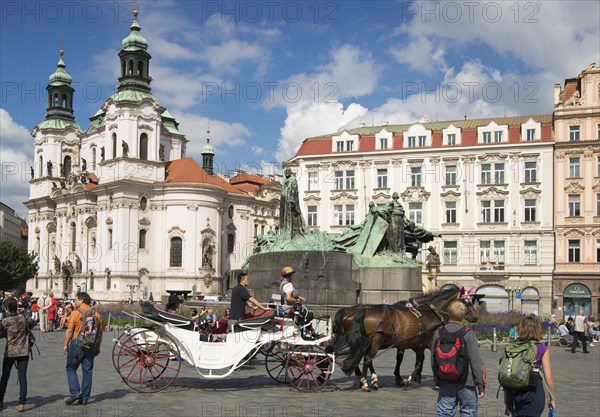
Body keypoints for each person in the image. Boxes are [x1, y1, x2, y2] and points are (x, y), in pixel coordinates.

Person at [431, 300, 486, 417]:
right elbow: (475, 360)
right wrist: (480, 384)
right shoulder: (468, 332)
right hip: (467, 381)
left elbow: (433, 358)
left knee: (444, 412)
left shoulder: (439, 332)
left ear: (448, 314)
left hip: (445, 379)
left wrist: (436, 379)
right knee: (468, 412)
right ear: (464, 316)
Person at [504, 315, 556, 417]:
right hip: (534, 393)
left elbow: (507, 373)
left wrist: (507, 397)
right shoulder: (541, 348)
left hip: (514, 393)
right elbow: (548, 378)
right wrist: (552, 398)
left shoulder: (512, 347)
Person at [63, 292, 104, 406]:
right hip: (91, 346)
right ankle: (84, 398)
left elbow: (69, 331)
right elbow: (100, 333)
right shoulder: (97, 314)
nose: (74, 302)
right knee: (87, 371)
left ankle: (75, 392)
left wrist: (65, 345)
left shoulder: (75, 313)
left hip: (77, 344)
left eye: (75, 300)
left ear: (81, 300)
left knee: (71, 368)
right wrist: (98, 347)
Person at [0, 297, 36, 412]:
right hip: (23, 351)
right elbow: (33, 322)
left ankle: (0, 400)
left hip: (10, 352)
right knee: (22, 377)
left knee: (5, 376)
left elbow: (1, 334)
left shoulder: (5, 321)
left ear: (6, 309)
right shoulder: (22, 318)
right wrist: (23, 313)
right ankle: (21, 403)